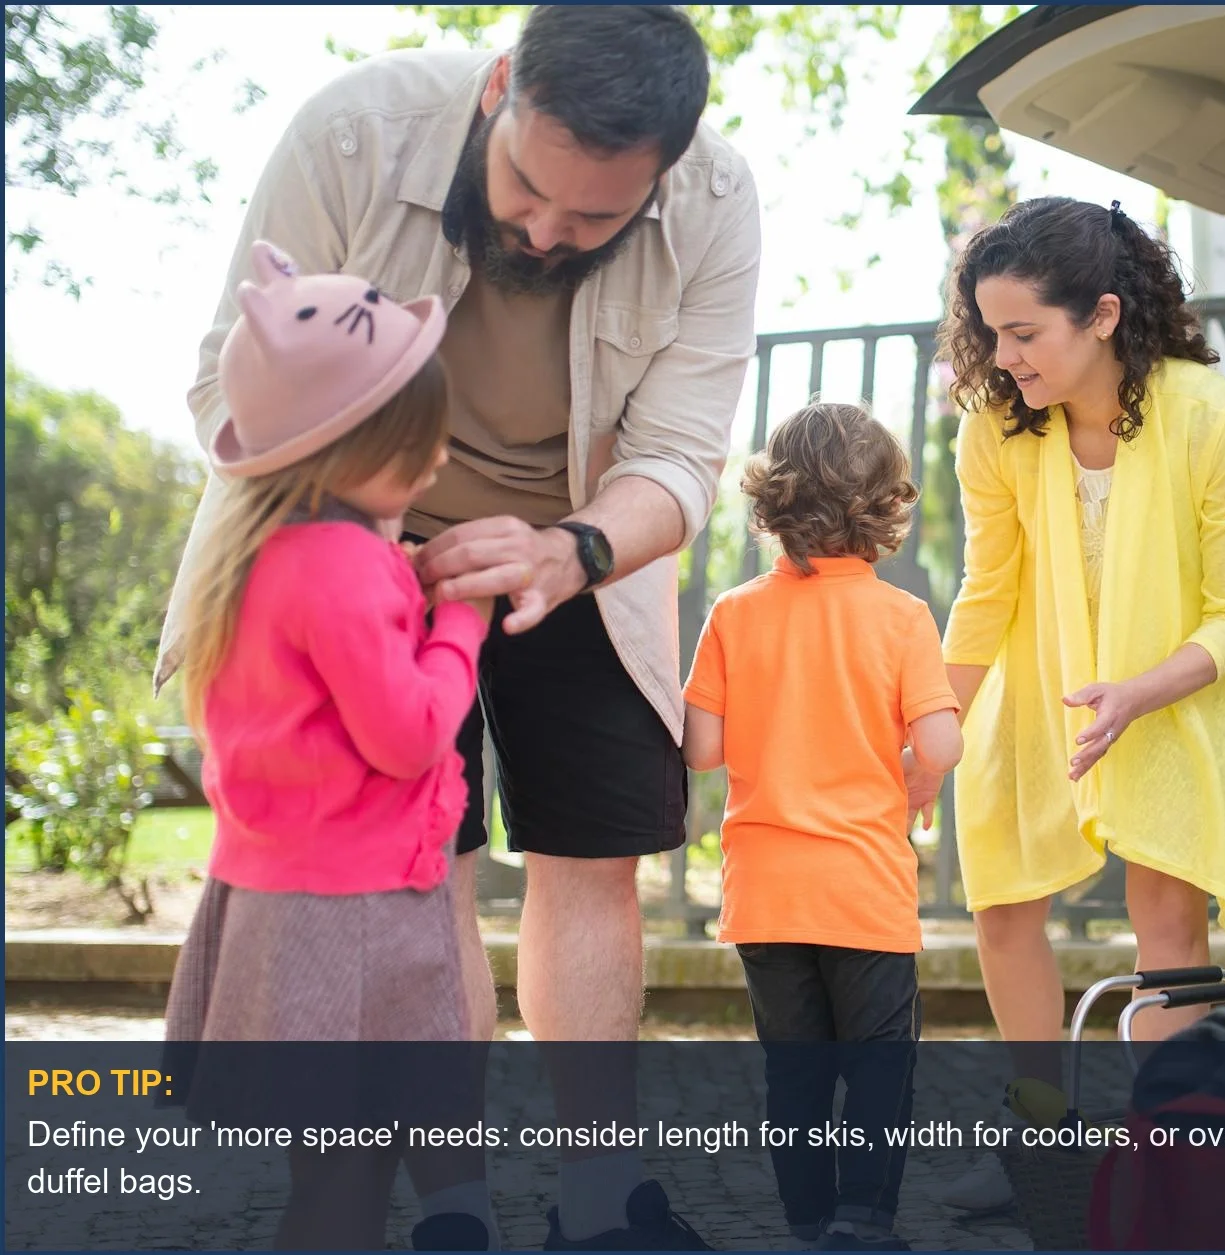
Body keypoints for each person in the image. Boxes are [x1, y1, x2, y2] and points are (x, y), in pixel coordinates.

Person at [155, 6, 758, 1248]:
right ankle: (454, 1203)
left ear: (661, 176)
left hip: (580, 538)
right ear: (496, 90)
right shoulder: (353, 133)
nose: (545, 232)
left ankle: (595, 1195)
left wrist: (570, 550)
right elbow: (233, 369)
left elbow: (683, 455)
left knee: (595, 858)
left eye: (593, 220)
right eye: (527, 187)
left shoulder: (717, 205)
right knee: (415, 867)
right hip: (350, 525)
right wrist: (362, 541)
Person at [914, 197, 1225, 1211]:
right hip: (1040, 684)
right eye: (989, 333)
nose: (1001, 356)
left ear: (1101, 315)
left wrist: (1137, 692)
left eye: (1023, 333)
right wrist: (935, 724)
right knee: (1000, 902)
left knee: (1162, 912)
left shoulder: (1210, 418)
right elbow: (987, 587)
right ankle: (1040, 1146)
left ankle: (1167, 1154)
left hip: (1168, 691)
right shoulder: (996, 426)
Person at [162, 241, 490, 1249]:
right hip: (353, 916)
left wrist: (416, 590)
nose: (436, 460)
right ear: (350, 448)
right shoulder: (344, 566)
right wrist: (461, 623)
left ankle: (457, 1211)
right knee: (350, 1172)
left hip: (277, 901)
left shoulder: (255, 557)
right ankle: (456, 1213)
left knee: (341, 1155)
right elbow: (408, 734)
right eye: (418, 442)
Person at [682, 403, 963, 1252]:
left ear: (773, 502)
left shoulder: (735, 613)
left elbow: (701, 750)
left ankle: (806, 1219)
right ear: (884, 508)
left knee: (794, 1068)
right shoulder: (903, 617)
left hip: (766, 891)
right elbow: (942, 741)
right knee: (879, 1062)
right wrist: (913, 769)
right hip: (864, 889)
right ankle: (862, 1218)